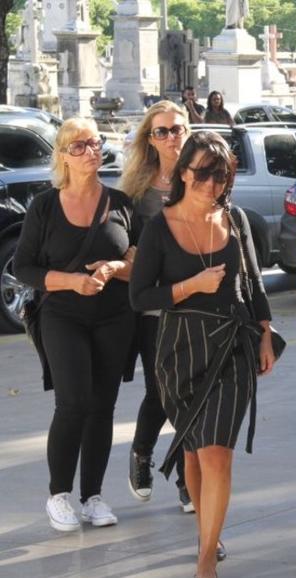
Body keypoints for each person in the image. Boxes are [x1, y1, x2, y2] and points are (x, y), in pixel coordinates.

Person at [130, 131, 278, 578]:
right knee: (193, 452)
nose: (211, 184)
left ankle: (206, 560)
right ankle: (206, 535)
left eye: (221, 176)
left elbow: (253, 283)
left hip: (232, 346)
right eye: (203, 174)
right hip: (179, 349)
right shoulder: (159, 228)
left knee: (216, 453)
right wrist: (190, 286)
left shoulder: (235, 219)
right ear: (182, 173)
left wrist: (265, 335)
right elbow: (140, 296)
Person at [14, 118, 137, 532]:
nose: (91, 151)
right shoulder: (45, 206)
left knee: (103, 406)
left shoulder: (121, 202)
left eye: (95, 143)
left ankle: (93, 497)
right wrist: (72, 282)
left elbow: (140, 261)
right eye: (79, 146)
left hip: (114, 316)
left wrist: (116, 267)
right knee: (73, 403)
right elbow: (23, 267)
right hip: (62, 315)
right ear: (63, 156)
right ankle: (59, 495)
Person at [119, 101, 193, 512]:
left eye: (176, 129)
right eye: (161, 131)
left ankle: (187, 481)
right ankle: (142, 451)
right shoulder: (137, 189)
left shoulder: (201, 176)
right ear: (150, 139)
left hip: (197, 302)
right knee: (162, 390)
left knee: (192, 393)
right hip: (153, 306)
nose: (170, 137)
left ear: (187, 131)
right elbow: (124, 243)